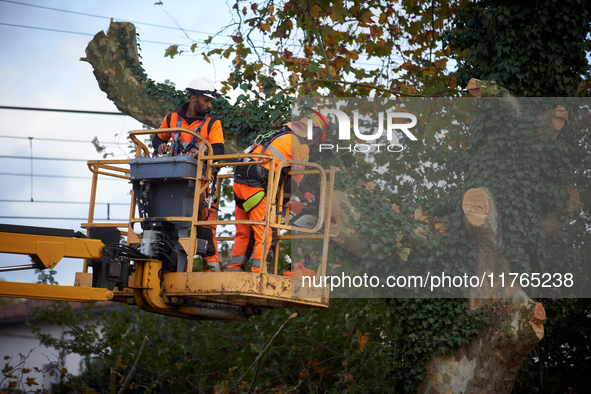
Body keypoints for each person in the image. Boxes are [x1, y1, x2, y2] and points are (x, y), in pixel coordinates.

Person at [228, 113, 329, 273]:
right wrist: (282, 203)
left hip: (240, 182)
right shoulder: (301, 146)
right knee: (267, 233)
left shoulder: (277, 134)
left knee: (243, 231)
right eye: (317, 139)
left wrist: (307, 193)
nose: (316, 142)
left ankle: (234, 269)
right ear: (314, 133)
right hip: (256, 188)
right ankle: (258, 273)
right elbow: (294, 182)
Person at [152, 76, 224, 272]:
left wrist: (202, 155)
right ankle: (177, 270)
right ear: (193, 98)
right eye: (206, 100)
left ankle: (211, 273)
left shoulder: (212, 123)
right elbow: (156, 140)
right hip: (176, 183)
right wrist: (161, 146)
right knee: (174, 227)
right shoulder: (172, 119)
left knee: (205, 228)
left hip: (202, 184)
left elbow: (219, 151)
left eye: (210, 101)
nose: (209, 105)